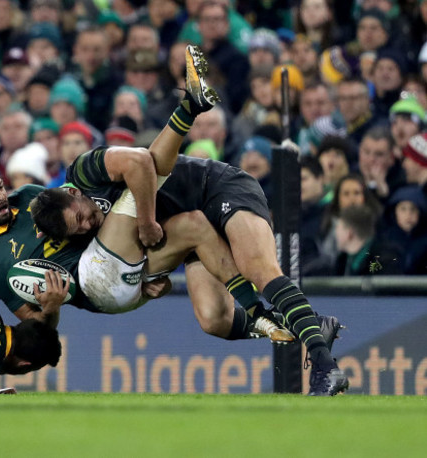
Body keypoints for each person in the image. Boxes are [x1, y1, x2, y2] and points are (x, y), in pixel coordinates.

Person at [29, 46, 348, 396]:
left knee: (259, 269)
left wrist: (148, 221)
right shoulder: (81, 233)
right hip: (192, 227)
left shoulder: (85, 168)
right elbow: (129, 263)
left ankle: (324, 366)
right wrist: (151, 283)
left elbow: (140, 163)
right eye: (80, 229)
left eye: (83, 216)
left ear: (73, 192)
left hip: (218, 187)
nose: (89, 224)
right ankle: (311, 326)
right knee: (214, 319)